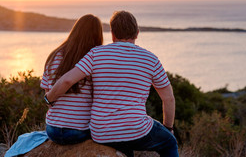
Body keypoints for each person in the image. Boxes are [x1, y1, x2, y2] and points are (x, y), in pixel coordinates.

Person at [45, 10, 178, 157]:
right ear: (137, 33)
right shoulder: (151, 59)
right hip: (136, 129)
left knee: (123, 147)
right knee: (169, 143)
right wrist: (168, 127)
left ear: (113, 33)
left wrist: (49, 99)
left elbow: (67, 80)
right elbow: (168, 98)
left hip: (101, 132)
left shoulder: (96, 54)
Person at [40, 14, 103, 145]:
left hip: (53, 129)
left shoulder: (54, 55)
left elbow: (48, 93)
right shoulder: (94, 59)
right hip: (79, 131)